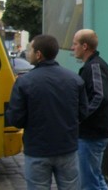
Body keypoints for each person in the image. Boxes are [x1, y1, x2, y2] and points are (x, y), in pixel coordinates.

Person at [6, 35, 88, 190]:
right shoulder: (74, 80)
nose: (28, 53)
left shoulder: (24, 82)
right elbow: (83, 112)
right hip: (67, 148)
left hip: (37, 150)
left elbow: (15, 119)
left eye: (31, 49)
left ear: (38, 54)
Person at [71, 29, 108, 190]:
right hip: (93, 133)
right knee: (95, 179)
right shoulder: (92, 65)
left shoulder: (95, 66)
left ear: (85, 46)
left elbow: (99, 95)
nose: (72, 47)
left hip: (92, 134)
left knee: (89, 182)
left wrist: (81, 116)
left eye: (75, 44)